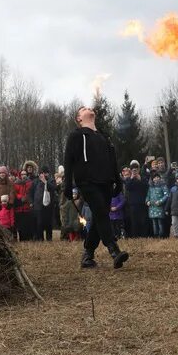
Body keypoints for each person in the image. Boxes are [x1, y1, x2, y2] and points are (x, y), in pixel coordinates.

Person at [63, 106, 129, 269]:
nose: (89, 108)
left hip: (105, 181)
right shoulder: (76, 135)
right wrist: (67, 185)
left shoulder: (103, 137)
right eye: (84, 108)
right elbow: (68, 160)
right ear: (79, 118)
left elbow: (112, 160)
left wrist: (118, 180)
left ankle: (88, 255)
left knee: (101, 216)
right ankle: (114, 250)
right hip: (87, 181)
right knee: (100, 212)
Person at [146, 174, 168, 238]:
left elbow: (166, 195)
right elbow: (148, 195)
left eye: (158, 177)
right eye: (154, 178)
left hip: (160, 207)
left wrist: (160, 201)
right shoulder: (150, 187)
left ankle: (161, 235)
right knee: (154, 222)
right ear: (152, 179)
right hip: (152, 208)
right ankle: (156, 235)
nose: (156, 179)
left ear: (160, 178)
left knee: (160, 222)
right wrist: (147, 201)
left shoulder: (163, 186)